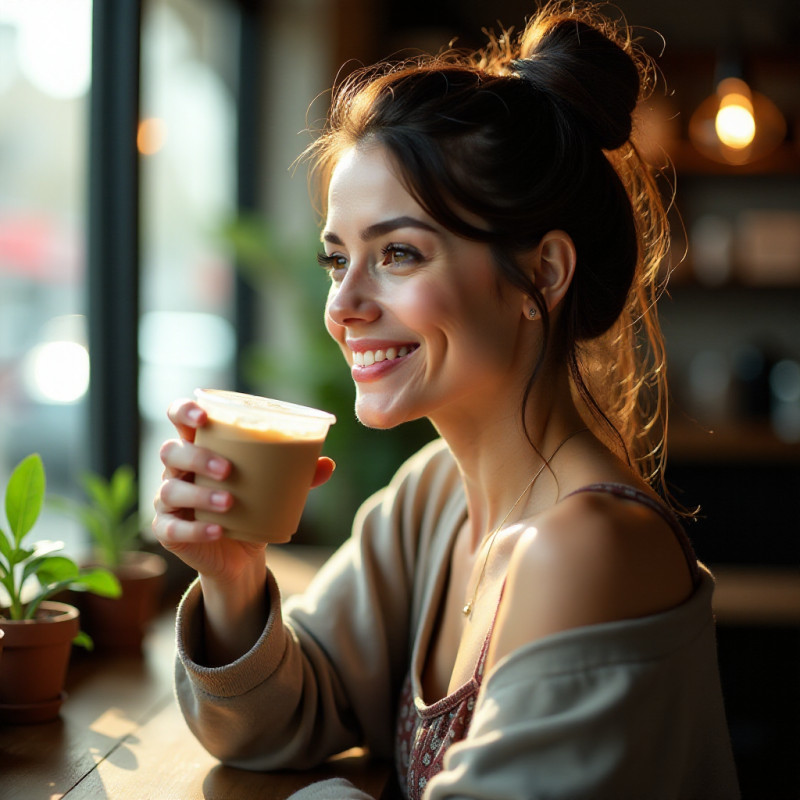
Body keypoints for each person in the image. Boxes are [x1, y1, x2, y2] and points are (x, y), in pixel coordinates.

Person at [152, 2, 740, 797]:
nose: (344, 305)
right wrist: (231, 574)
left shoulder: (592, 549)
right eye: (337, 260)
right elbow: (274, 727)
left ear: (544, 274)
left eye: (397, 253)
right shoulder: (433, 500)